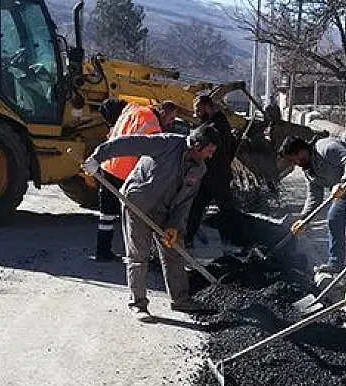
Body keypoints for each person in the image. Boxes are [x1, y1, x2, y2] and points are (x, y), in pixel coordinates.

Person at [82, 125, 221, 321]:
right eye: (210, 151)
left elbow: (185, 201)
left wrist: (174, 225)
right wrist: (97, 157)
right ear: (197, 146)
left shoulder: (199, 169)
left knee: (174, 251)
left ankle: (180, 299)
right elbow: (127, 143)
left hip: (165, 212)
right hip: (138, 203)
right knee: (139, 255)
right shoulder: (166, 144)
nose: (211, 156)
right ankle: (138, 304)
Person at [92, 100, 179, 262]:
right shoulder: (153, 126)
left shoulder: (133, 108)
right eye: (171, 118)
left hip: (108, 165)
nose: (172, 122)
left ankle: (102, 251)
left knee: (106, 214)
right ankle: (139, 254)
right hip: (124, 171)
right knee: (135, 214)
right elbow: (150, 158)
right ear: (162, 112)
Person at [277, 135, 346, 287]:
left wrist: (343, 182)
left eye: (294, 158)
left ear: (301, 150)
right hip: (344, 192)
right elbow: (314, 197)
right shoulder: (309, 171)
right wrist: (304, 219)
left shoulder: (325, 147)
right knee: (334, 218)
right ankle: (336, 263)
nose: (294, 163)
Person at [185, 95, 239, 248]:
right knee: (196, 207)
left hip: (217, 175)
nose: (196, 114)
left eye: (198, 110)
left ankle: (240, 242)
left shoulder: (217, 126)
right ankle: (187, 238)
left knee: (227, 210)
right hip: (210, 175)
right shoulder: (215, 123)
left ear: (207, 107)